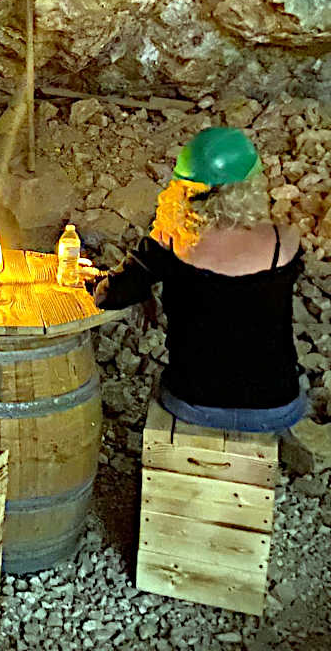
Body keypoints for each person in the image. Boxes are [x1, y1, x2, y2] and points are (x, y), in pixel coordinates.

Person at [92, 127, 306, 432]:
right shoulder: (284, 242)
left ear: (184, 187)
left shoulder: (171, 241)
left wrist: (152, 246)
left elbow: (110, 296)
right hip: (275, 407)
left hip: (194, 403)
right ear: (251, 185)